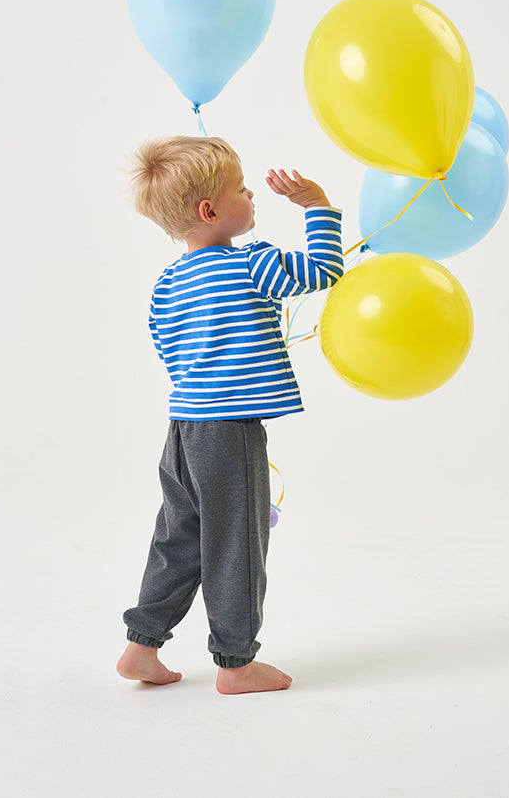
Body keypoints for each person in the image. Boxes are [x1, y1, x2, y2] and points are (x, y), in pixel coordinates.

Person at [116, 136, 343, 694]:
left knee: (180, 538)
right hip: (229, 430)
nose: (251, 195)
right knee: (237, 544)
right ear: (209, 211)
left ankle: (141, 647)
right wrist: (317, 206)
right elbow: (323, 272)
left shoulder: (168, 282)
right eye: (241, 189)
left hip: (184, 428)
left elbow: (166, 344)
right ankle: (236, 662)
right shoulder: (253, 261)